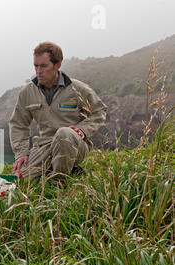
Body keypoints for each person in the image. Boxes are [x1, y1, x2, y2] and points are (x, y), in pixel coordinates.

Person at [9, 42, 107, 183]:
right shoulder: (27, 92)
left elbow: (99, 110)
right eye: (36, 66)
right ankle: (69, 170)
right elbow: (18, 124)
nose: (38, 71)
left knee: (63, 133)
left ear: (57, 65)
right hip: (45, 145)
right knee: (22, 180)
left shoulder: (77, 89)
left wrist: (83, 129)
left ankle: (58, 183)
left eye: (44, 66)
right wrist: (21, 153)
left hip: (74, 143)